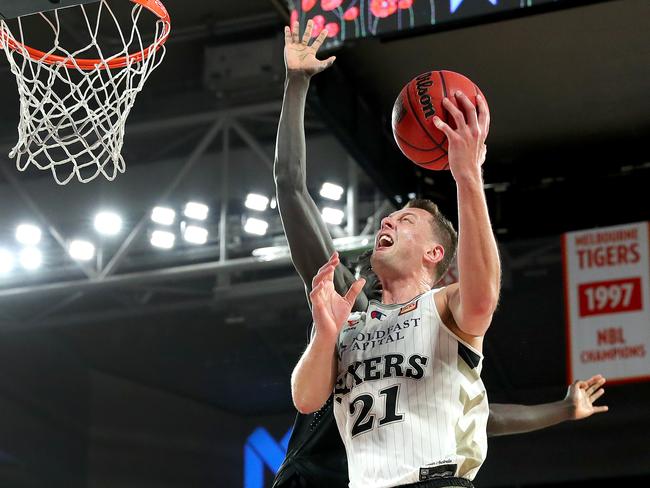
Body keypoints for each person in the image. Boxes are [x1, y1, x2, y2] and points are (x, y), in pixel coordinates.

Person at [273, 20, 608, 488]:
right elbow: (290, 188)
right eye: (389, 220)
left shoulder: (445, 308)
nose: (386, 222)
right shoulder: (345, 312)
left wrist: (467, 175)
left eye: (404, 220)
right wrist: (296, 83)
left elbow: (483, 305)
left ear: (435, 253)